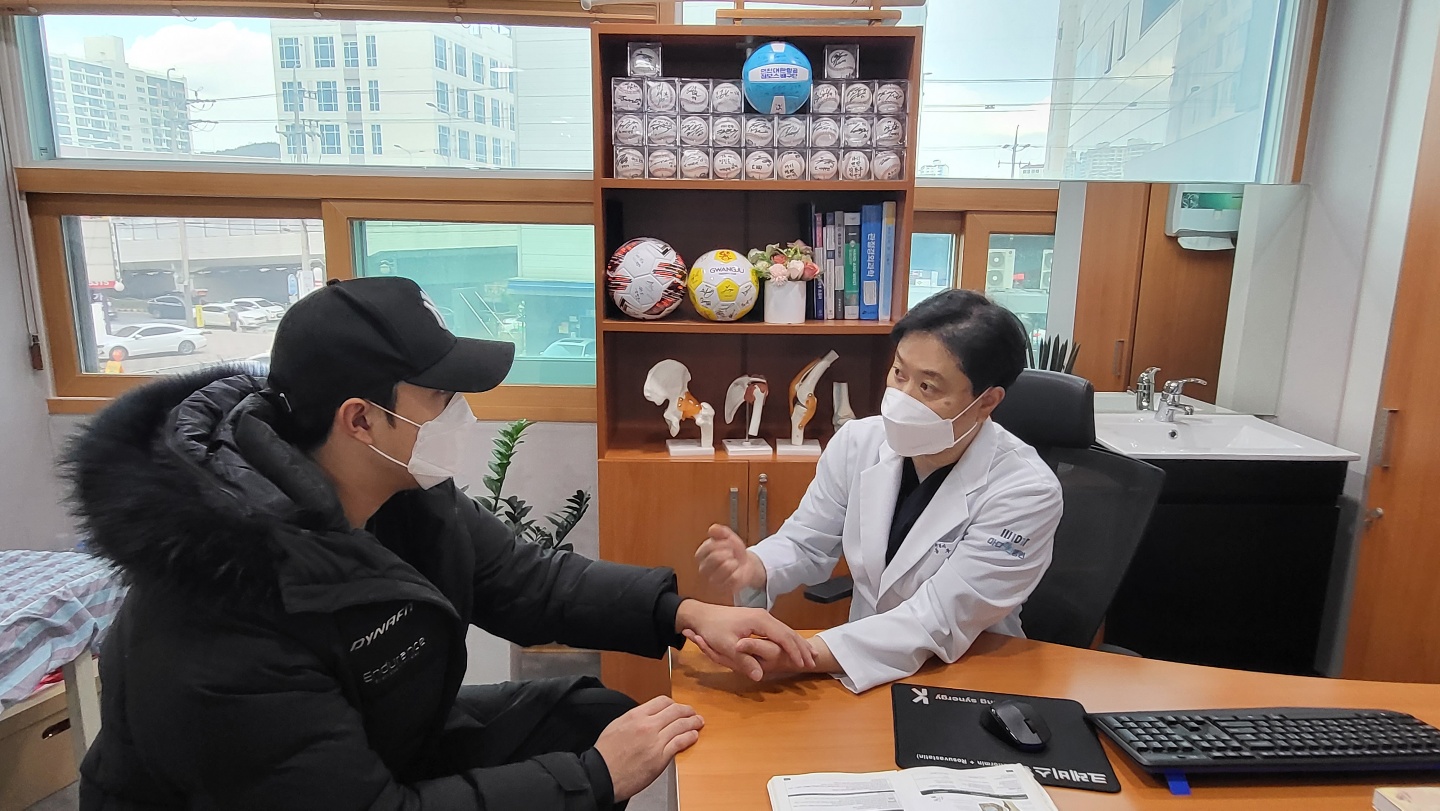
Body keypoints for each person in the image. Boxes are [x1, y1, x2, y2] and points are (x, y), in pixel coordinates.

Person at [67, 277, 813, 810]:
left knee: (589, 714)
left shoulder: (398, 490)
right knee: (597, 760)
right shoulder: (221, 611)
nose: (463, 416)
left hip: (376, 741)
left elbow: (528, 580)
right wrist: (594, 778)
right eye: (441, 397)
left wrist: (684, 614)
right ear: (360, 419)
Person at [693, 289, 1063, 693]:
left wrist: (804, 654)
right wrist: (757, 565)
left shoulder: (1026, 491)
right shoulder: (858, 442)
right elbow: (806, 541)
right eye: (899, 373)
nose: (902, 398)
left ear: (987, 401)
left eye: (928, 387)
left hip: (966, 676)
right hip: (861, 665)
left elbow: (939, 617)